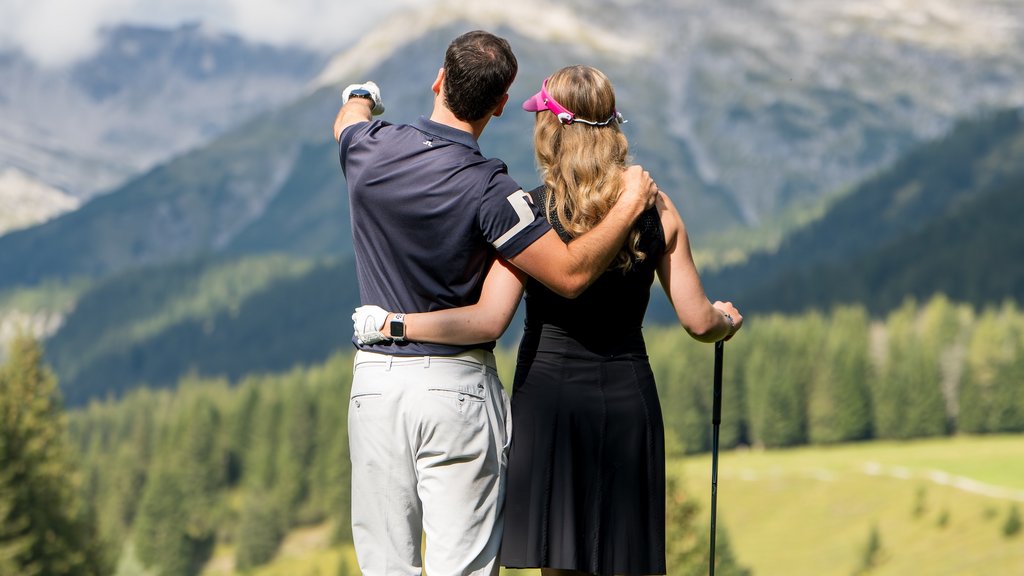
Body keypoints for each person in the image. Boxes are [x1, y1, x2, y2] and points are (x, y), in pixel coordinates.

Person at [353, 65, 743, 576]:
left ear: (550, 130)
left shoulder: (530, 213)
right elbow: (697, 320)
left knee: (559, 560)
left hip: (548, 398)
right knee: (626, 558)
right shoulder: (656, 209)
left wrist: (393, 325)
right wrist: (725, 320)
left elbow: (488, 318)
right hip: (628, 397)